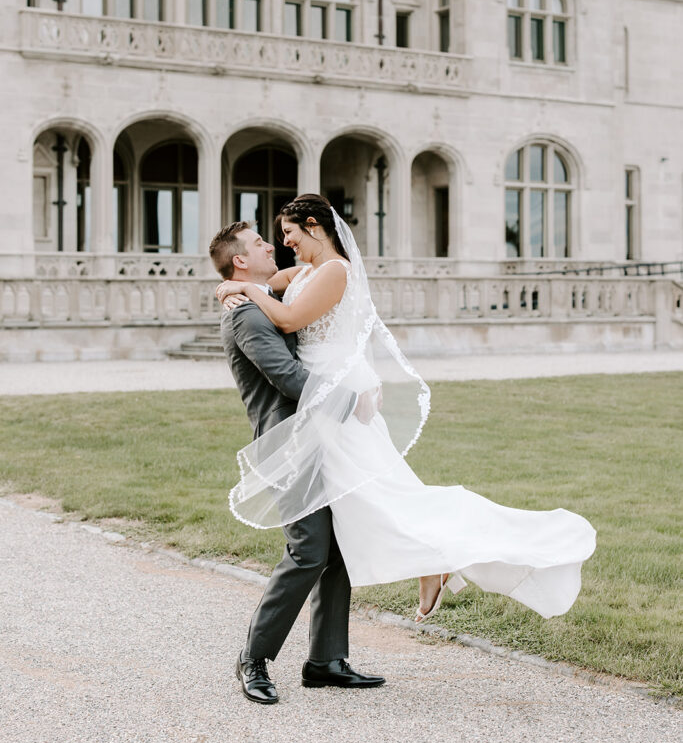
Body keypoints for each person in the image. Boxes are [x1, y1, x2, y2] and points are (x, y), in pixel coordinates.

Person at [214, 194, 597, 635]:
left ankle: (436, 559)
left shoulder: (336, 270)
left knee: (381, 498)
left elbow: (286, 320)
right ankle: (418, 573)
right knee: (362, 510)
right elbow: (270, 283)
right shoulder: (306, 272)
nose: (283, 243)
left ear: (315, 226)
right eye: (275, 237)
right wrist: (233, 284)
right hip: (322, 400)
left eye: (289, 233)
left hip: (334, 400)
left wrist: (242, 287)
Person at [209, 221, 385, 705]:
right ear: (241, 259)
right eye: (261, 243)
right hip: (285, 444)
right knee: (308, 548)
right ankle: (254, 657)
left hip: (318, 437)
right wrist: (353, 401)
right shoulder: (245, 315)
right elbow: (287, 376)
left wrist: (231, 283)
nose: (273, 246)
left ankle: (325, 661)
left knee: (336, 546)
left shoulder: (256, 293)